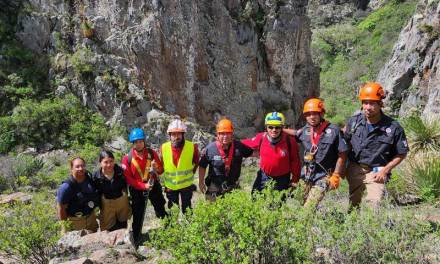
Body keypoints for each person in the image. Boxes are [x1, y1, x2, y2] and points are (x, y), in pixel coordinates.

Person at [344, 82, 409, 208]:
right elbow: (344, 145)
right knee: (353, 204)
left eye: (372, 103)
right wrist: (340, 169)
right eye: (365, 103)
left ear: (380, 104)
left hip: (377, 171)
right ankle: (352, 226)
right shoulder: (354, 122)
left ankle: (370, 227)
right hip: (355, 169)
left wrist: (385, 171)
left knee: (374, 204)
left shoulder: (393, 127)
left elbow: (402, 153)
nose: (368, 107)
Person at [284, 98, 348, 208]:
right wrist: (280, 129)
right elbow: (296, 133)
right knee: (300, 200)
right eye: (308, 114)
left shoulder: (333, 131)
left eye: (315, 113)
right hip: (308, 174)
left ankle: (306, 220)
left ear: (321, 113)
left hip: (324, 176)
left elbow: (342, 153)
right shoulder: (306, 130)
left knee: (308, 207)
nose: (312, 117)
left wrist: (336, 175)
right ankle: (311, 221)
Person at [121, 128, 167, 244]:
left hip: (153, 186)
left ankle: (169, 227)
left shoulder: (151, 153)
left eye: (140, 141)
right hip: (137, 190)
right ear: (133, 143)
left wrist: (156, 168)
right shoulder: (127, 158)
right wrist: (143, 186)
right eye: (136, 142)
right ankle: (136, 238)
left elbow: (161, 170)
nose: (138, 144)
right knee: (138, 214)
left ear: (144, 141)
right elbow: (129, 179)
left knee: (160, 208)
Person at [242, 112, 301, 193]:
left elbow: (295, 161)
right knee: (255, 199)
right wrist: (232, 142)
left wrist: (295, 179)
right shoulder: (261, 137)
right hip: (263, 176)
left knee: (277, 204)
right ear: (266, 127)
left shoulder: (289, 141)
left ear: (282, 127)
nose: (274, 130)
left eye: (277, 127)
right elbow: (248, 143)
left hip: (282, 179)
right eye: (270, 127)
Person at [198, 118, 253, 201]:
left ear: (232, 134)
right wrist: (201, 182)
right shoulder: (210, 149)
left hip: (233, 188)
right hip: (215, 189)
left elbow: (254, 153)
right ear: (218, 135)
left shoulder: (239, 146)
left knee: (235, 213)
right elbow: (202, 166)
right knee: (213, 213)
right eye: (222, 133)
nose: (225, 136)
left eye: (228, 133)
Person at [159, 119, 199, 214]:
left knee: (187, 210)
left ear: (183, 134)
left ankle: (190, 228)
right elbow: (160, 166)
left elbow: (196, 163)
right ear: (170, 135)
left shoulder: (192, 147)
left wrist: (190, 173)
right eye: (173, 134)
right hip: (171, 187)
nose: (176, 137)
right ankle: (174, 227)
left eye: (179, 134)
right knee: (173, 211)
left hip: (186, 186)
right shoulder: (163, 148)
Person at [56, 157, 100, 233]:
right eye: (77, 166)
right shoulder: (66, 187)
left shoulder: (89, 179)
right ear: (71, 168)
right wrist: (65, 226)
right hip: (75, 221)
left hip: (91, 218)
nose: (80, 168)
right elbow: (61, 208)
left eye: (82, 166)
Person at [92, 150, 131, 231]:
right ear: (100, 163)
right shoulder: (96, 177)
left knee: (123, 224)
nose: (109, 165)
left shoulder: (121, 172)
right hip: (106, 204)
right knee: (108, 228)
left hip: (121, 202)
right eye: (105, 162)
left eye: (111, 161)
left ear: (114, 161)